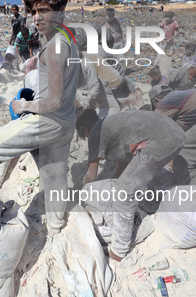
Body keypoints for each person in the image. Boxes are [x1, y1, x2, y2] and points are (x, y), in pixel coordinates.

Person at [0, 0, 79, 235]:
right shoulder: (67, 38)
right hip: (66, 121)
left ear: (60, 10)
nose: (36, 18)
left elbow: (52, 101)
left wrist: (23, 105)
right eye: (33, 12)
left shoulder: (55, 46)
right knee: (54, 175)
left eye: (43, 11)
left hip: (47, 121)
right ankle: (55, 226)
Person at [77, 110, 185, 261]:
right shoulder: (114, 129)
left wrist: (84, 197)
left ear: (84, 129)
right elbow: (122, 168)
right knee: (128, 185)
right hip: (173, 132)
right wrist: (111, 187)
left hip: (161, 141)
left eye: (84, 136)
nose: (88, 139)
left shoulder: (96, 132)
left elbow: (90, 176)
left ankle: (119, 251)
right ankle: (163, 202)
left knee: (124, 194)